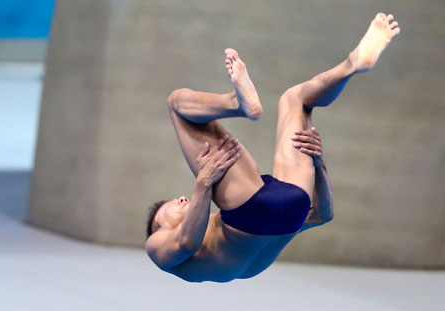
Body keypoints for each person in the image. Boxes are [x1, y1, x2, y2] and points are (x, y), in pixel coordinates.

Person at [145, 13, 400, 282]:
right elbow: (186, 243)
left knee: (297, 98)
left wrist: (319, 164)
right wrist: (203, 184)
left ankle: (354, 63)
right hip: (252, 211)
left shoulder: (214, 231)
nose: (181, 198)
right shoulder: (156, 246)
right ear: (158, 226)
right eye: (171, 205)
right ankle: (237, 104)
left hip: (292, 206)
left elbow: (323, 215)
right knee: (176, 104)